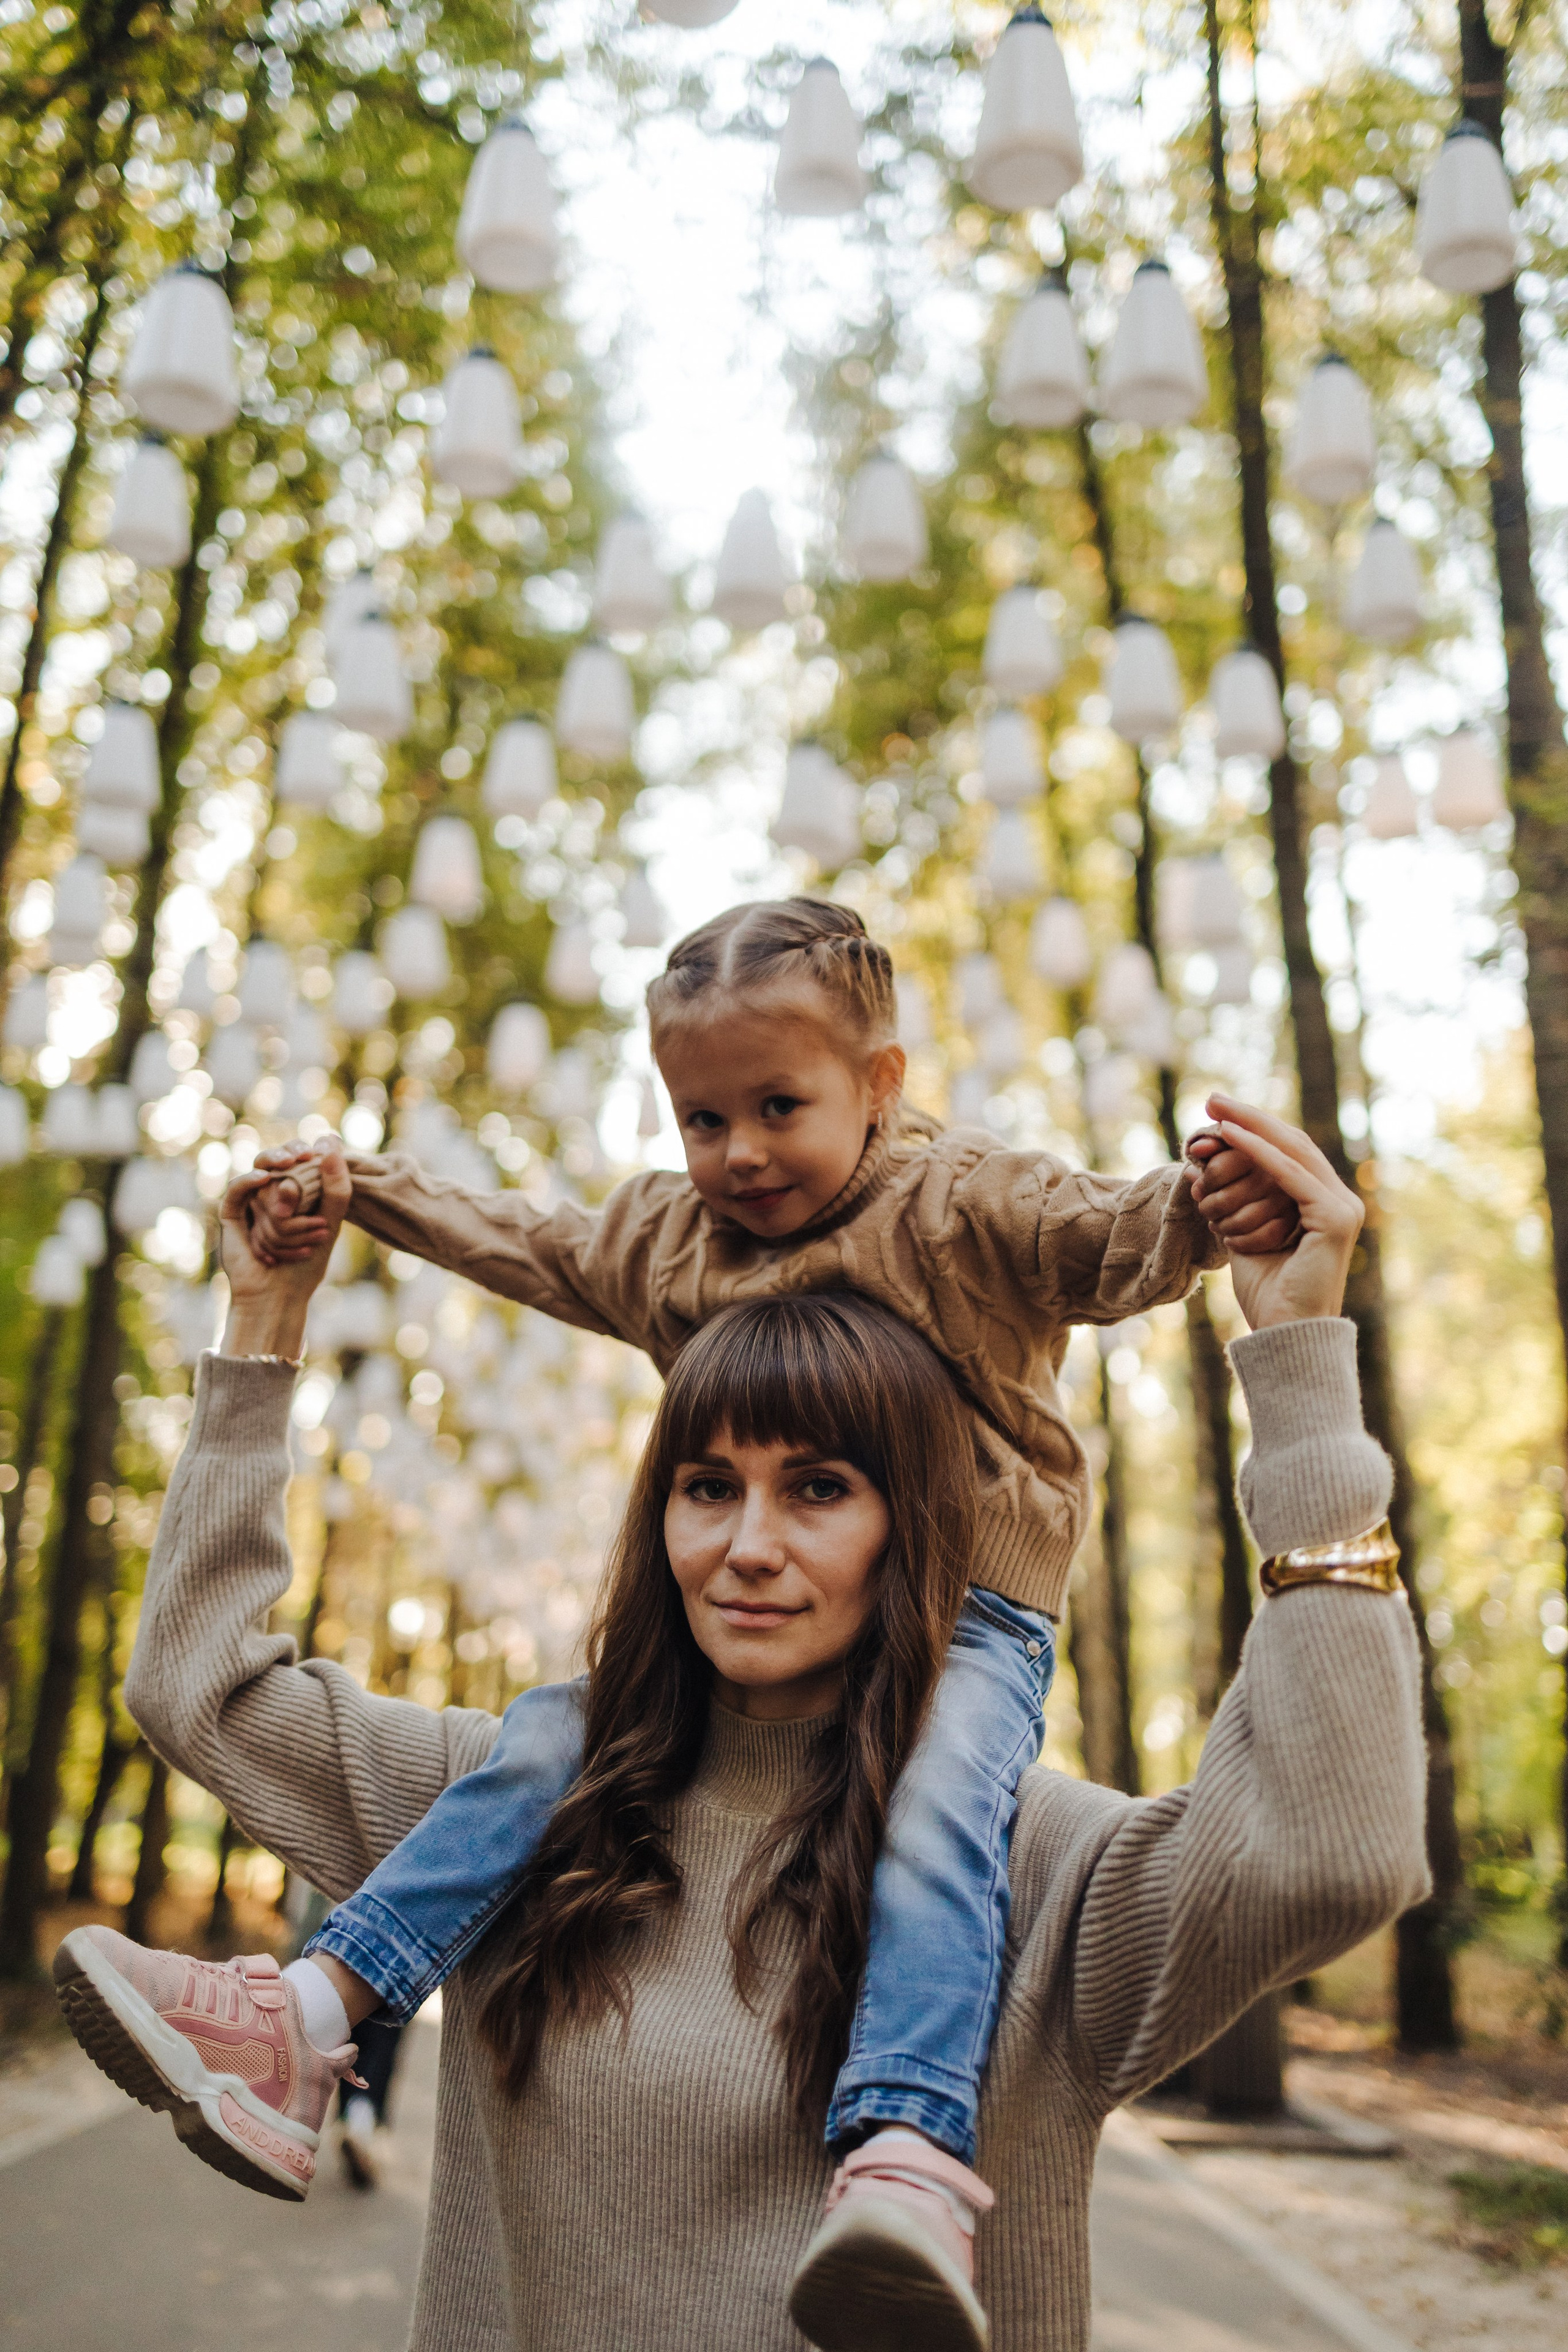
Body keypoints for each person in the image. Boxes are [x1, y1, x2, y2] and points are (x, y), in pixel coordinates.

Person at [54, 1099, 1426, 2352]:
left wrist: (1297, 1371)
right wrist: (262, 1327)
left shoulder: (1030, 1865)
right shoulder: (498, 1807)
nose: (747, 1547)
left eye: (818, 1488)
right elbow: (198, 1687)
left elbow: (1330, 1853)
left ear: (915, 1526)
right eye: (708, 1487)